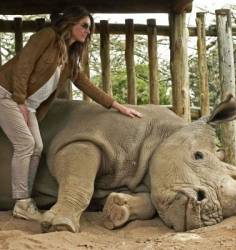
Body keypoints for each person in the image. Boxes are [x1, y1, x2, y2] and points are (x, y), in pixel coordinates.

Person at [0, 5, 142, 221]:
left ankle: (23, 201)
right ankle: (23, 201)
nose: (87, 31)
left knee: (37, 147)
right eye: (84, 26)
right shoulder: (47, 36)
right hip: (6, 94)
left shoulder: (70, 58)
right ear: (71, 23)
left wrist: (117, 105)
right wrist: (19, 99)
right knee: (26, 144)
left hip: (27, 105)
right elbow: (24, 64)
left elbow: (86, 85)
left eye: (90, 28)